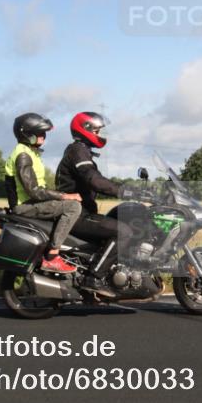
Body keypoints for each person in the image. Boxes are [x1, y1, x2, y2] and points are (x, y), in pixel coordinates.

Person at [55, 111, 137, 292]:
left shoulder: (81, 151)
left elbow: (96, 180)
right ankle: (94, 278)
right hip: (77, 214)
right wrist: (126, 191)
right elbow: (95, 180)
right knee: (123, 232)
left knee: (119, 217)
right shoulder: (78, 151)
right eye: (97, 131)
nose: (100, 134)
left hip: (81, 211)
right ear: (85, 129)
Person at [4, 113, 83, 274]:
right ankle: (53, 257)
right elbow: (33, 191)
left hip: (31, 202)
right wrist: (64, 196)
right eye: (39, 133)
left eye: (44, 132)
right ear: (26, 134)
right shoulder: (23, 155)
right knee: (73, 207)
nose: (43, 136)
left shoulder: (30, 152)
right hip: (24, 205)